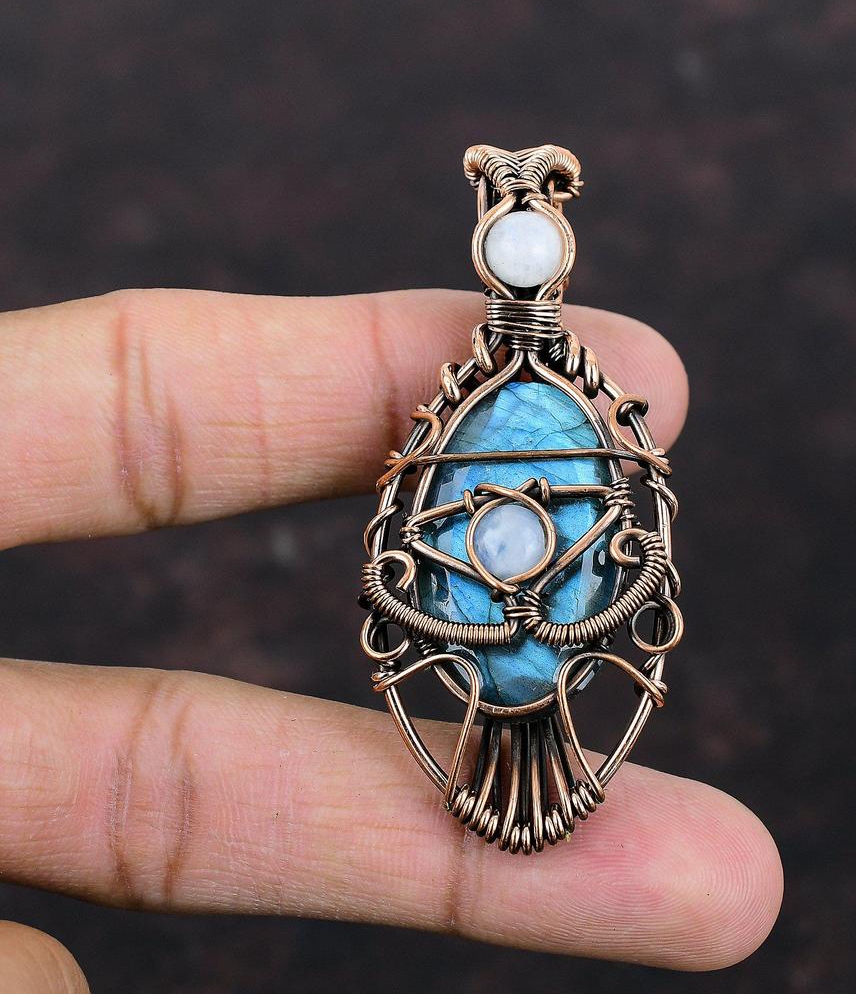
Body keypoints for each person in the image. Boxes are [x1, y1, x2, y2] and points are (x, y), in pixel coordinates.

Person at [0, 288, 783, 991]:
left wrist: (526, 608)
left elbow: (626, 557)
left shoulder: (530, 430)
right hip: (494, 637)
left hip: (528, 643)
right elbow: (401, 567)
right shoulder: (519, 434)